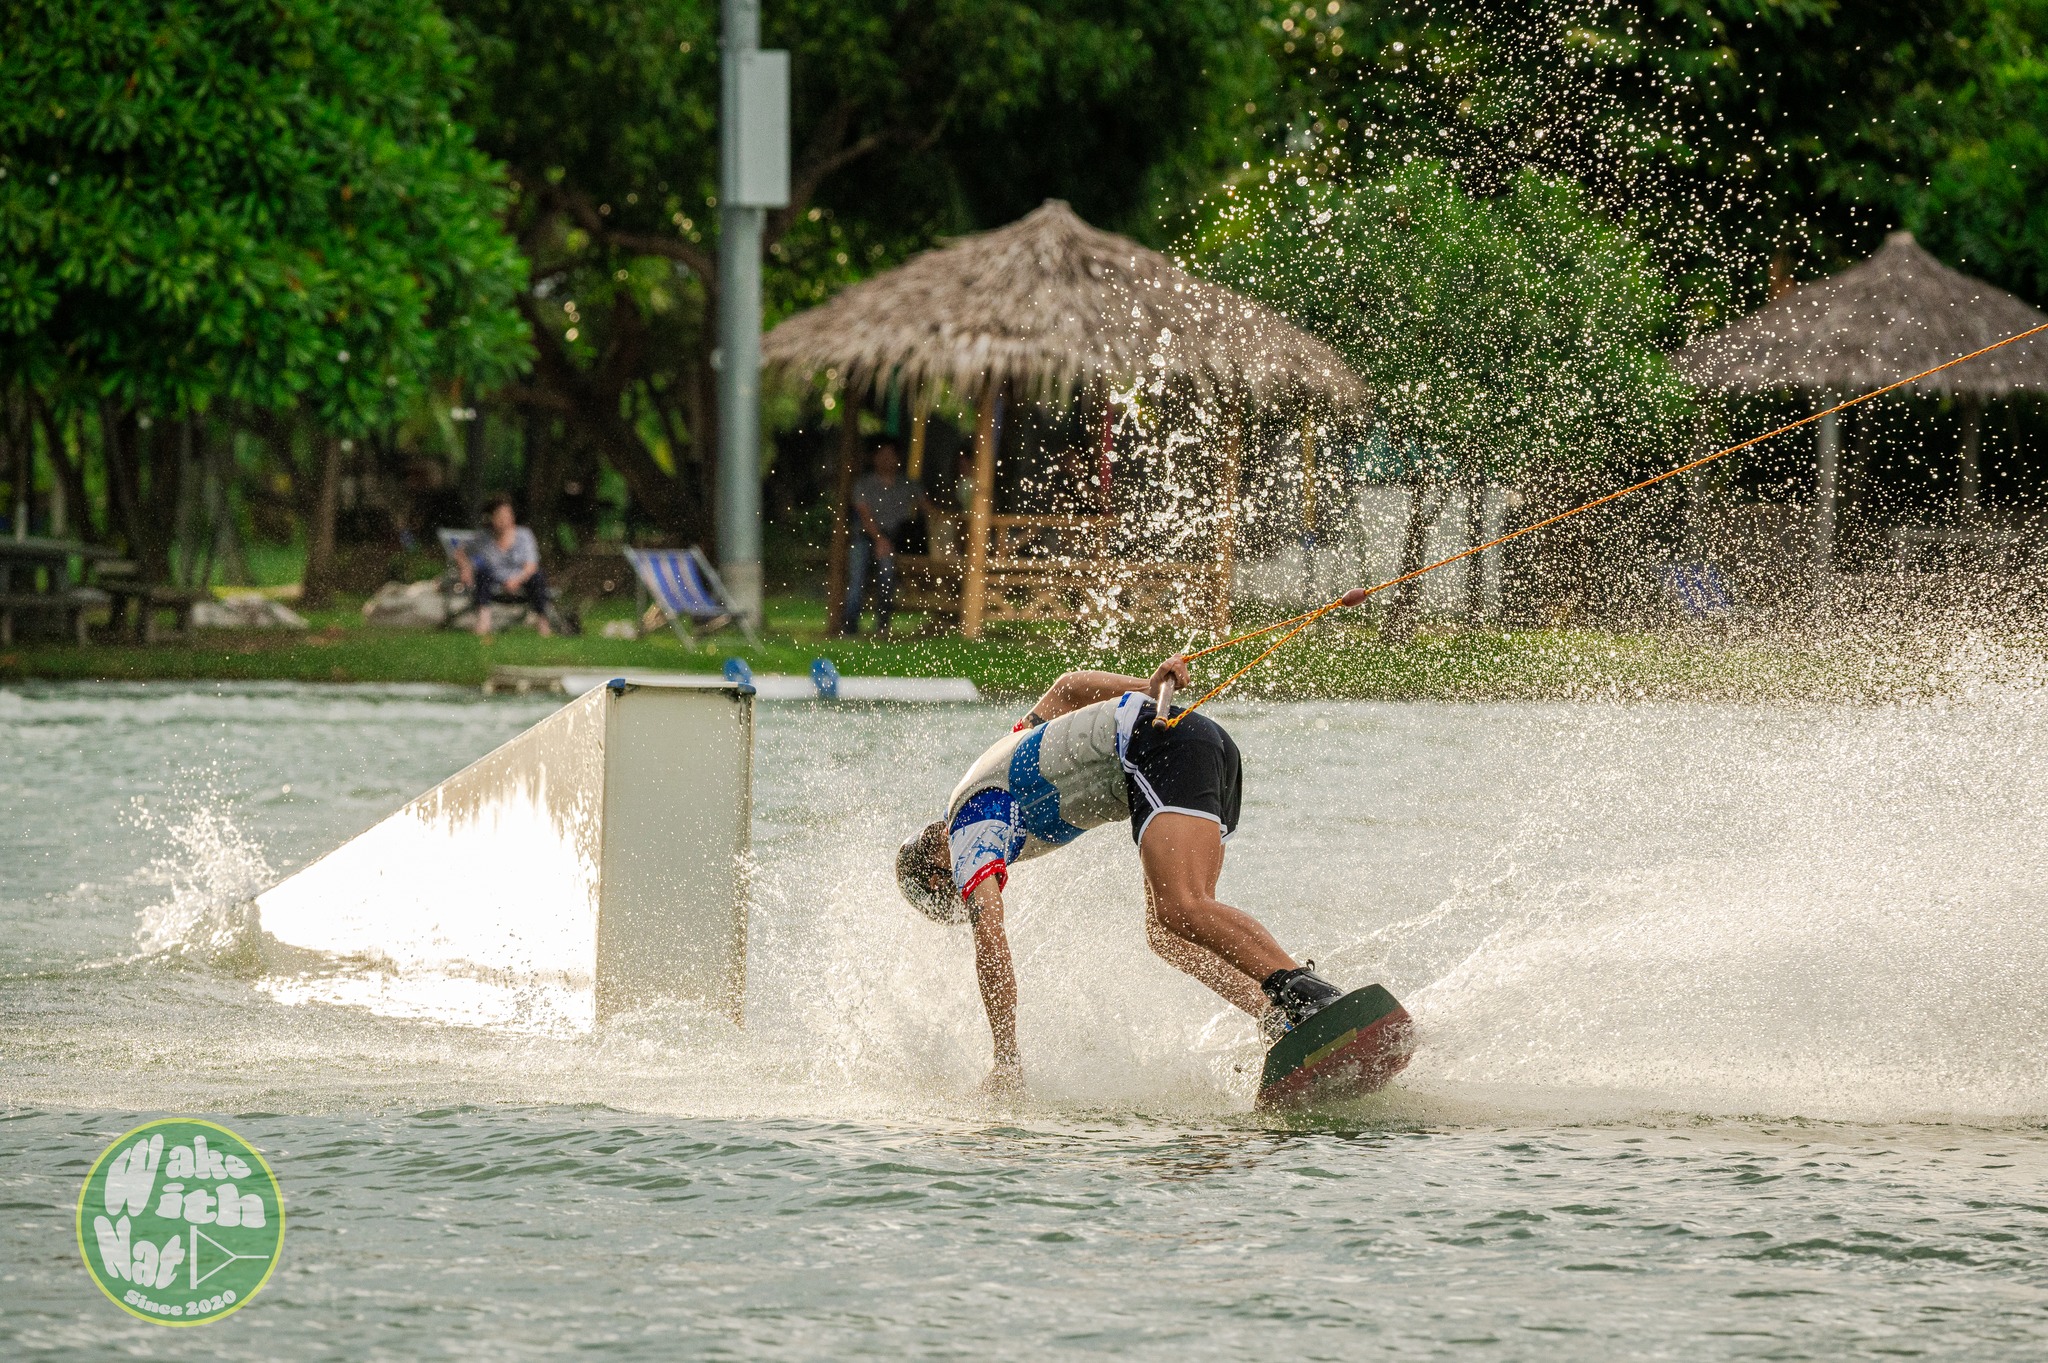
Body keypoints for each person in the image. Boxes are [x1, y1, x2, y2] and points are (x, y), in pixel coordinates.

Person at [895, 653, 1347, 1094]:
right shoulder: (996, 764)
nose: (972, 898)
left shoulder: (967, 834)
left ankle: (1308, 995)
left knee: (1181, 909)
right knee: (1169, 932)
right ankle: (1279, 1017)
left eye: (958, 902)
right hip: (1203, 744)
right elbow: (1067, 689)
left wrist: (1006, 1063)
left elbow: (991, 943)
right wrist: (1149, 688)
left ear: (939, 880)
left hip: (1161, 747)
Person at [842, 441, 939, 635]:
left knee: (887, 569)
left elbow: (930, 511)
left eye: (890, 455)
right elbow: (864, 516)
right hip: (866, 536)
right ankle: (850, 625)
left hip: (895, 538)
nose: (886, 459)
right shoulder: (864, 484)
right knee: (857, 571)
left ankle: (882, 623)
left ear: (898, 459)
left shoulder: (909, 485)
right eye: (882, 454)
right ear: (873, 458)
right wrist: (879, 539)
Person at [454, 494, 554, 637]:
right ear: (491, 518)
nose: (503, 520)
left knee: (537, 576)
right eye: (499, 516)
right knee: (482, 572)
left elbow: (531, 566)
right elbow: (460, 552)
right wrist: (466, 569)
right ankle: (484, 621)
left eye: (507, 515)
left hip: (521, 579)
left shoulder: (524, 535)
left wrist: (517, 580)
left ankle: (543, 623)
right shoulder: (483, 538)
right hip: (494, 580)